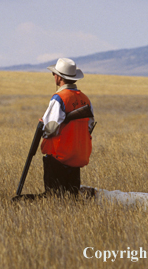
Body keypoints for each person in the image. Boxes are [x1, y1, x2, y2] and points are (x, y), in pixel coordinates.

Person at [40, 58, 95, 197]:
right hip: (77, 155)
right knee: (72, 197)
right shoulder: (85, 99)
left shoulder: (59, 98)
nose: (54, 77)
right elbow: (89, 125)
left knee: (54, 197)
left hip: (59, 155)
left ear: (59, 77)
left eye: (54, 74)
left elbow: (50, 128)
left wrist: (43, 129)